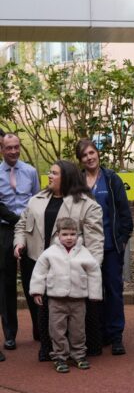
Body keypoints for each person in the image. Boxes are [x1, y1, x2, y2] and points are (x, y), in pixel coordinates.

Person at [15, 160, 103, 362]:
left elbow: (95, 242)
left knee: (76, 315)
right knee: (45, 310)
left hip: (71, 269)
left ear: (67, 177)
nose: (49, 175)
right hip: (37, 261)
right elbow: (21, 226)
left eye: (54, 173)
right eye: (50, 172)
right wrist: (18, 244)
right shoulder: (35, 200)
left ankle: (78, 352)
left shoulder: (87, 205)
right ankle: (50, 349)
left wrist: (91, 272)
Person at [75, 138, 133, 355]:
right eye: (84, 155)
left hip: (110, 247)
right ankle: (97, 333)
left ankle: (116, 335)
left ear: (97, 153)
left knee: (113, 290)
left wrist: (122, 239)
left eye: (92, 153)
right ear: (80, 159)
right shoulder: (77, 182)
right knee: (91, 291)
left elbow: (124, 214)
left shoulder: (111, 179)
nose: (89, 158)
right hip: (84, 248)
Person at [29, 218, 102, 373]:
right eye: (65, 234)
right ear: (58, 235)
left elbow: (94, 272)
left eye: (72, 234)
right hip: (56, 300)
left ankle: (79, 355)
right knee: (57, 329)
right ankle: (60, 357)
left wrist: (94, 294)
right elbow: (39, 272)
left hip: (78, 300)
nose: (69, 237)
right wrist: (37, 291)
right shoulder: (50, 253)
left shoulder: (84, 252)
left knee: (78, 330)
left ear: (77, 235)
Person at [0, 132, 40, 351]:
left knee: (32, 279)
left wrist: (28, 225)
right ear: (2, 149)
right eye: (9, 148)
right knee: (6, 283)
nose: (13, 151)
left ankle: (38, 328)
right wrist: (17, 220)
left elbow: (36, 199)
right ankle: (10, 333)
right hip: (4, 229)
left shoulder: (31, 172)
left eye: (16, 147)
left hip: (29, 230)